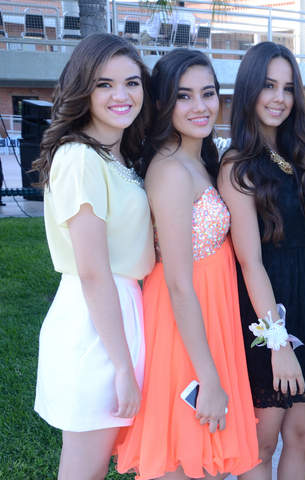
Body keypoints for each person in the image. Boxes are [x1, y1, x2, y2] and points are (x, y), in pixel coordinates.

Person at [114, 49, 259, 479]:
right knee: (186, 456)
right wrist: (208, 378)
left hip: (211, 319)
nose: (200, 106)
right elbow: (178, 282)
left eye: (207, 93)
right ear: (164, 103)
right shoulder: (171, 171)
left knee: (207, 459)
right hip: (183, 328)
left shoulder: (198, 159)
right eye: (184, 96)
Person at [32, 33, 154, 479]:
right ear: (83, 88)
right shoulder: (80, 157)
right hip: (95, 325)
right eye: (105, 84)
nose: (121, 95)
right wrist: (121, 365)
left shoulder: (115, 157)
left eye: (131, 83)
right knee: (86, 468)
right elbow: (92, 271)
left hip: (122, 311)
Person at [218, 42, 305, 480]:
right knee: (261, 442)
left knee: (303, 435)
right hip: (267, 314)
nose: (279, 98)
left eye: (287, 87)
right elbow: (250, 263)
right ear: (249, 90)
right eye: (268, 86)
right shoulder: (237, 166)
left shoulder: (299, 159)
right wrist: (279, 344)